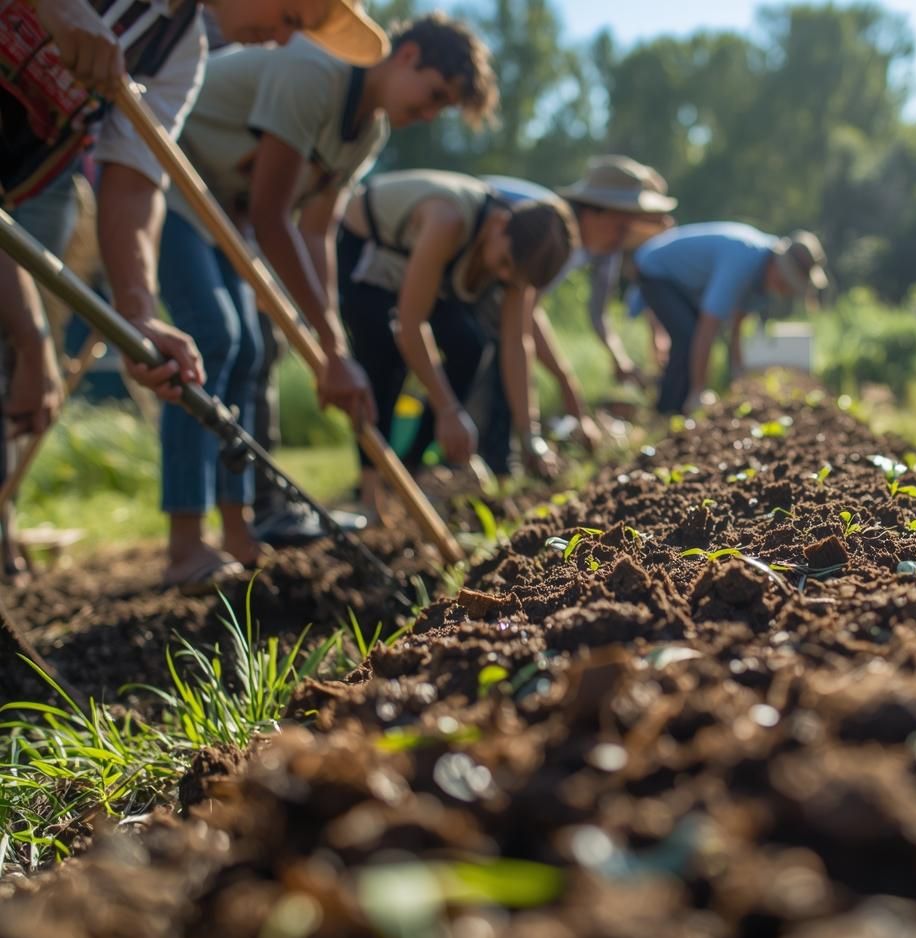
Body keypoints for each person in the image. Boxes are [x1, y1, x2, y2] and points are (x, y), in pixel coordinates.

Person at [0, 0, 392, 584]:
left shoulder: (180, 55)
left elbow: (132, 183)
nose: (285, 41)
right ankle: (188, 536)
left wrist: (140, 314)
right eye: (290, 14)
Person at [154, 14, 496, 589]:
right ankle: (185, 544)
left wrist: (330, 342)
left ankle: (238, 531)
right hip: (168, 177)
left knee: (250, 349)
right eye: (436, 94)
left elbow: (315, 233)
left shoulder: (367, 132)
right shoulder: (315, 71)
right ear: (406, 55)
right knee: (214, 335)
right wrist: (334, 347)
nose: (432, 113)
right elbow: (272, 211)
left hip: (224, 215)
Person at [335, 170, 577, 516]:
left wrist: (529, 437)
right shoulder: (448, 221)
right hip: (370, 251)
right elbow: (410, 325)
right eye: (505, 264)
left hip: (419, 265)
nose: (505, 278)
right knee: (383, 361)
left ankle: (410, 469)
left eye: (516, 278)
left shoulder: (518, 262)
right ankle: (371, 496)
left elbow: (515, 345)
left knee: (471, 347)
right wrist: (448, 408)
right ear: (498, 225)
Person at [436, 156, 676, 476]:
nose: (623, 238)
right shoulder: (550, 236)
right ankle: (476, 462)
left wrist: (585, 380)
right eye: (620, 227)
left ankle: (496, 460)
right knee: (480, 351)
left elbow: (589, 314)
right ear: (591, 210)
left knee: (490, 354)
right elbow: (522, 328)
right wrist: (566, 388)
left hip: (483, 283)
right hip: (453, 258)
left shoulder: (601, 248)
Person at [632, 223, 828, 414]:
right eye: (785, 281)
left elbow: (736, 327)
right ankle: (667, 412)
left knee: (690, 337)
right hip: (657, 269)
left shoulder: (760, 284)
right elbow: (707, 327)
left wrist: (737, 373)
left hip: (685, 284)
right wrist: (698, 391)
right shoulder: (742, 260)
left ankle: (677, 405)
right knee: (688, 336)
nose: (783, 289)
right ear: (777, 264)